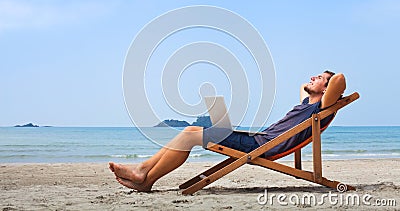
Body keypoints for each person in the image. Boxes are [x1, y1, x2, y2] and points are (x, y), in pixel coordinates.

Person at [109, 71, 346, 192]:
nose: (312, 78)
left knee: (191, 133)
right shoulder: (307, 104)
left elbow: (340, 79)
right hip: (256, 140)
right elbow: (302, 87)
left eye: (320, 78)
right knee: (196, 128)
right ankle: (144, 175)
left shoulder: (320, 107)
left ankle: (144, 175)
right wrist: (317, 84)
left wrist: (328, 84)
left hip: (259, 147)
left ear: (327, 90)